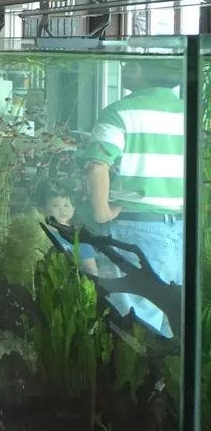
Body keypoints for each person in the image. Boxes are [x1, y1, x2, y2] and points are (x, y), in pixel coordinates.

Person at [81, 59, 185, 335]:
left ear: (143, 70)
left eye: (131, 64)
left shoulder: (120, 112)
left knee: (134, 321)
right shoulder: (186, 112)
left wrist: (101, 211)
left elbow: (97, 165)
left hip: (135, 227)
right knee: (172, 320)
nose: (124, 67)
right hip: (181, 228)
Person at [39, 185, 98, 276]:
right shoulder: (40, 232)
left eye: (66, 205)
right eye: (55, 205)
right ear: (42, 210)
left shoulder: (80, 236)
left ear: (73, 209)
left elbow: (91, 269)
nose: (62, 209)